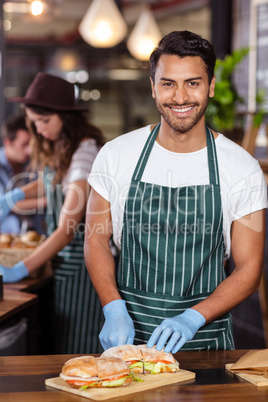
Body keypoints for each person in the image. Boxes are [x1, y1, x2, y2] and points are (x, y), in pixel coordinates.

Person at [84, 31, 268, 353]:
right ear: (153, 87)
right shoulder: (116, 155)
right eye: (168, 83)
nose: (180, 97)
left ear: (210, 87)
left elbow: (250, 267)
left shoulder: (242, 168)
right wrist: (112, 307)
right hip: (128, 343)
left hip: (206, 342)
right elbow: (96, 237)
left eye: (192, 83)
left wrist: (193, 318)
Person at [0, 72, 105, 354]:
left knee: (79, 347)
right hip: (64, 264)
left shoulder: (84, 152)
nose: (40, 128)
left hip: (82, 267)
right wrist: (15, 194)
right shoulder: (63, 146)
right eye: (35, 122)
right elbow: (52, 181)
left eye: (45, 121)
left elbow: (66, 228)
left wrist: (22, 268)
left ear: (65, 116)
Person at [0, 114, 37, 233]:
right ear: (8, 143)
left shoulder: (33, 163)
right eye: (24, 144)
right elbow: (7, 205)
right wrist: (48, 201)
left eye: (31, 144)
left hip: (34, 234)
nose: (29, 150)